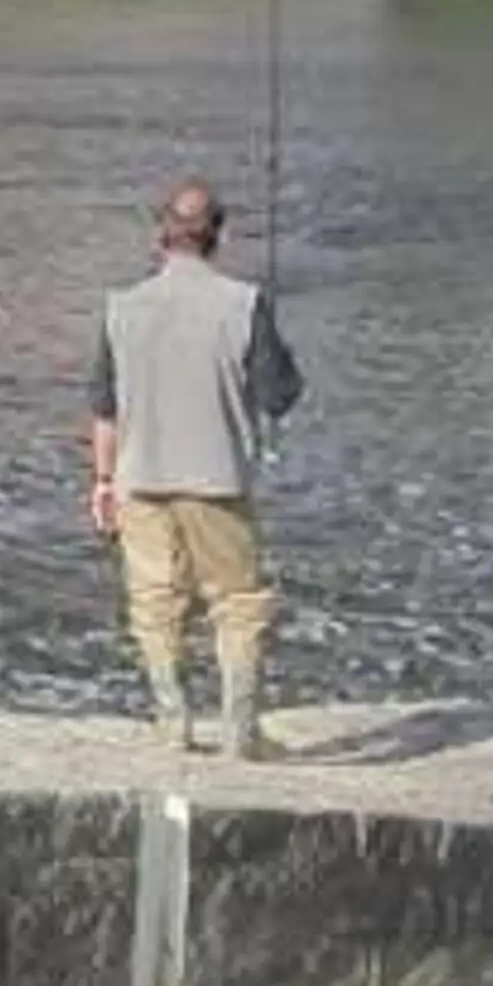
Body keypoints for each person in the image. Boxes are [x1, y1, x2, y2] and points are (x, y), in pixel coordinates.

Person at [87, 178, 304, 756]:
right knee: (238, 604)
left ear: (161, 234)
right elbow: (279, 394)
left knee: (156, 604)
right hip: (217, 481)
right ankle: (240, 732)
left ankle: (172, 721)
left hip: (138, 479)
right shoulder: (245, 304)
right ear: (219, 235)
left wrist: (103, 482)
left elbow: (104, 408)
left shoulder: (121, 309)